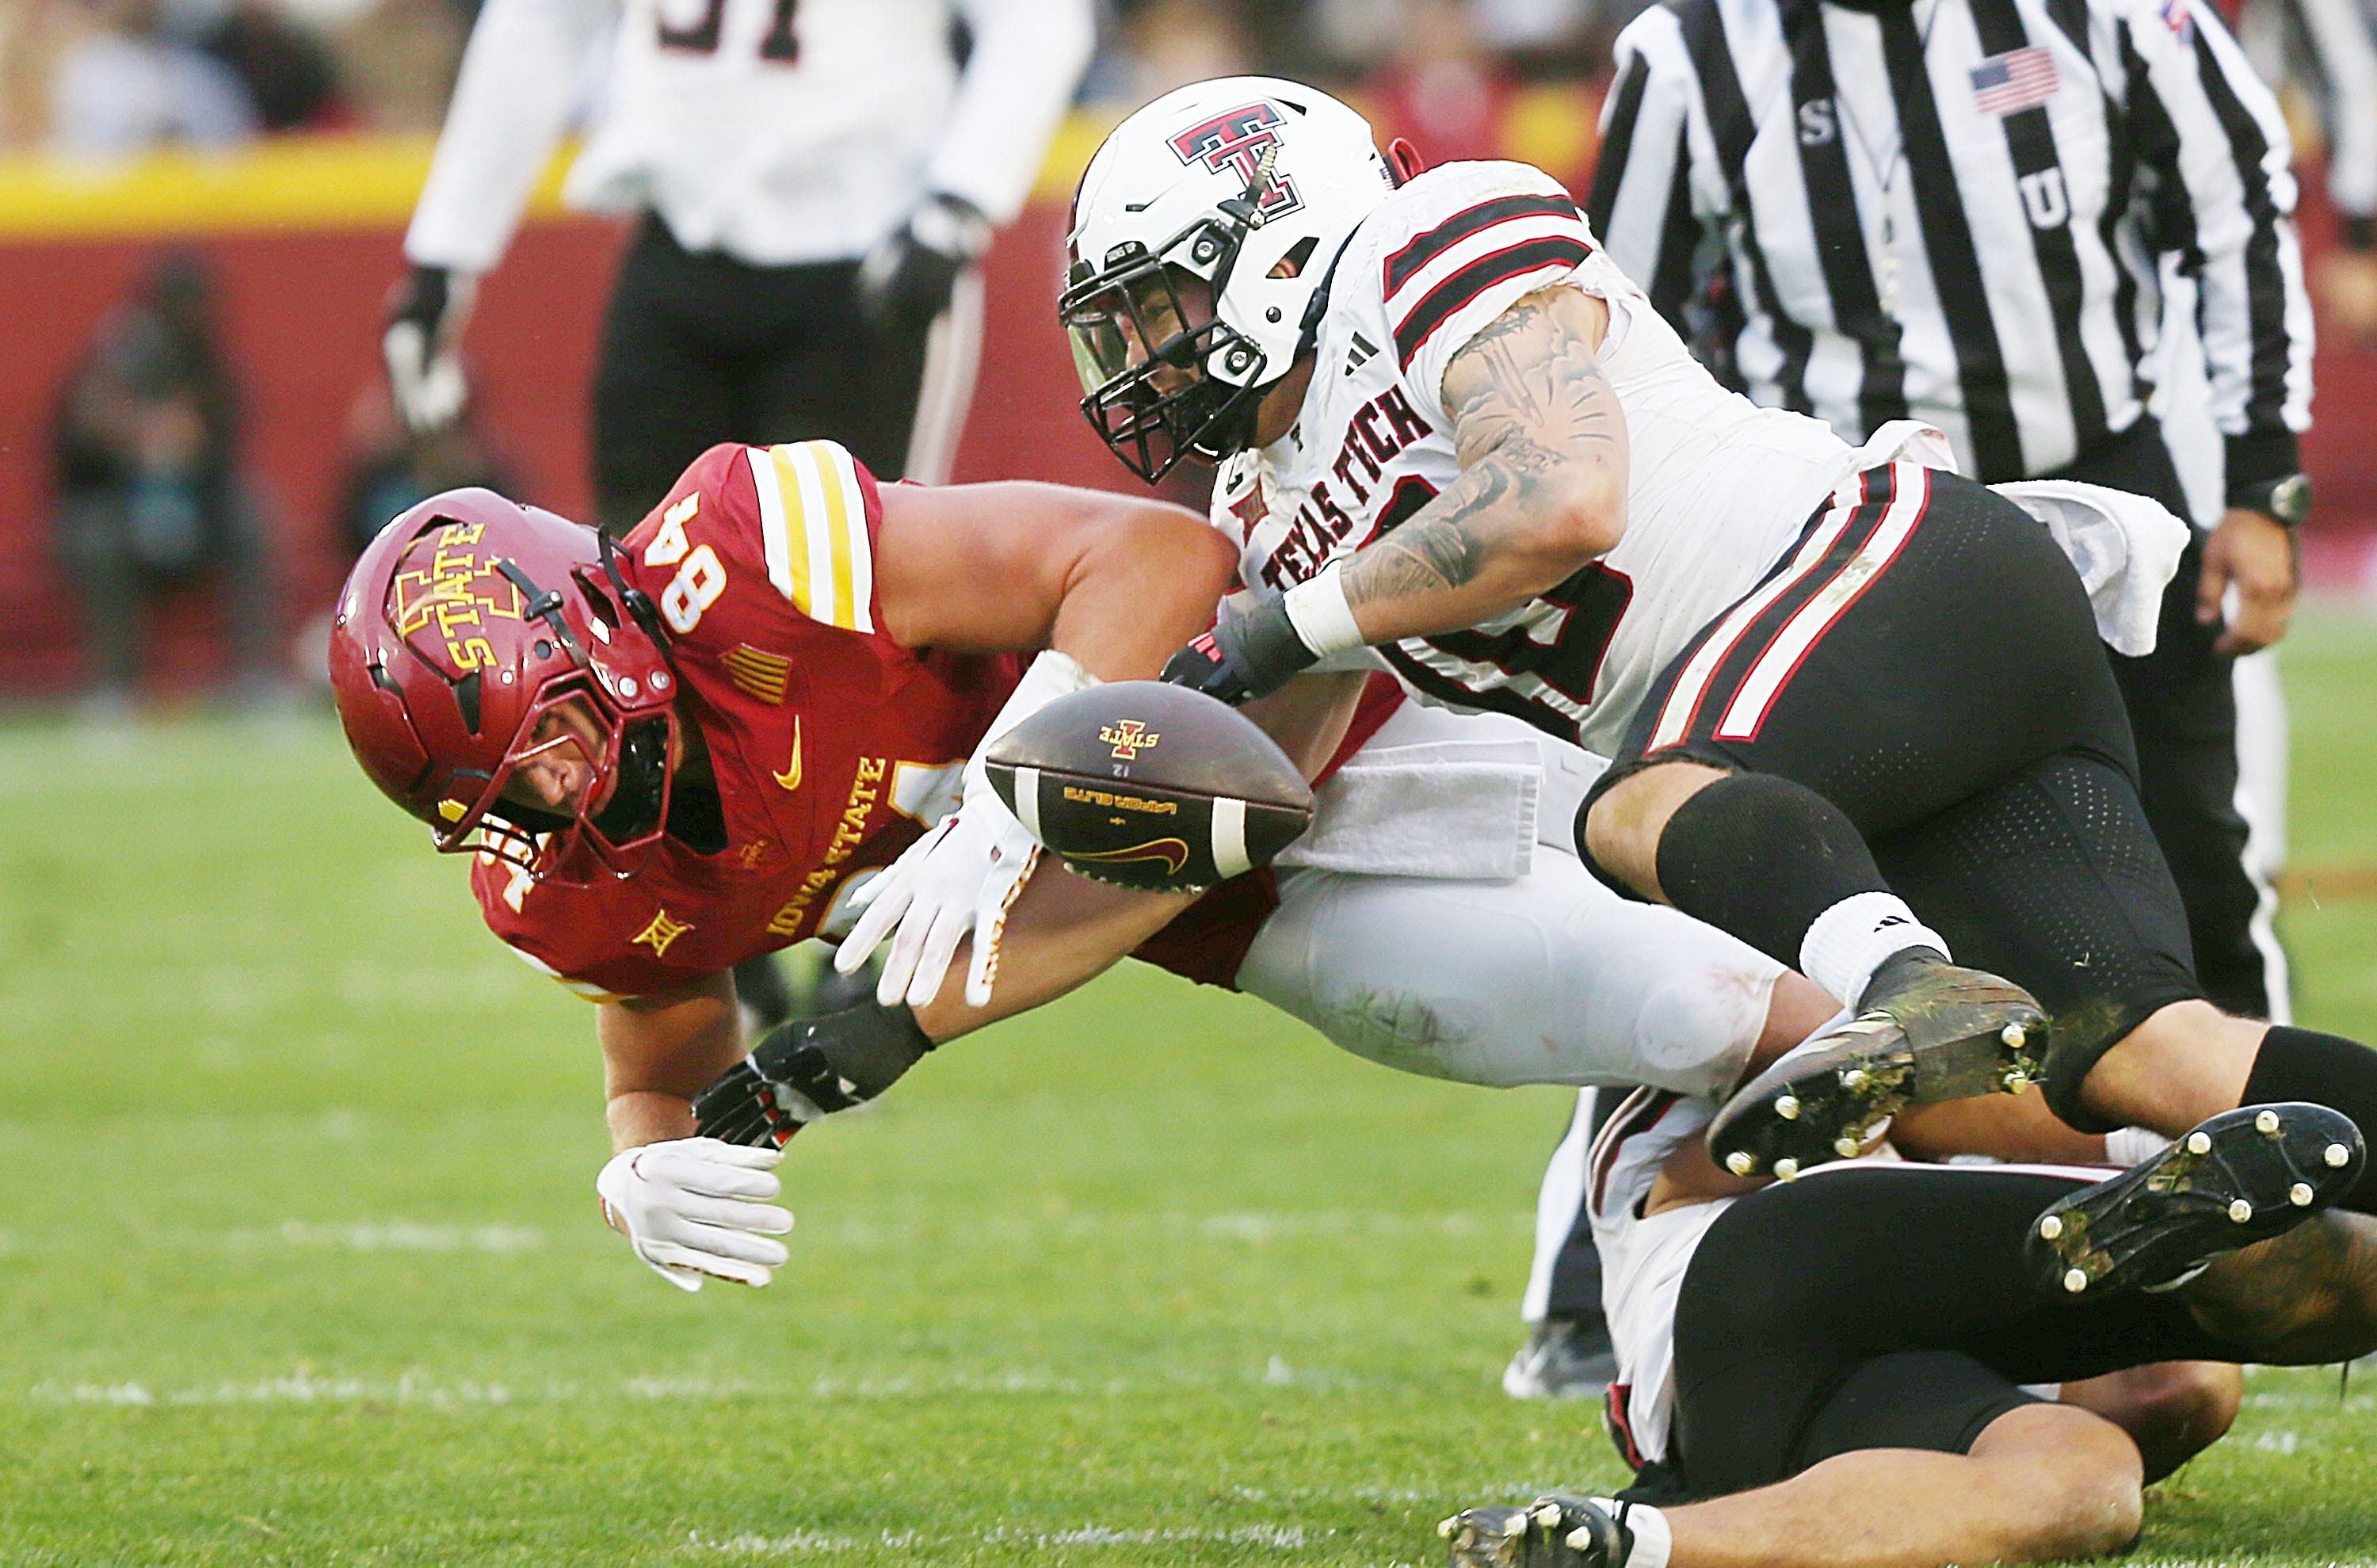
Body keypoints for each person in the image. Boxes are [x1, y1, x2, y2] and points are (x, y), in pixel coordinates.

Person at [1047, 76, 2377, 1215]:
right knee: (2148, 1060)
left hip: (1889, 572)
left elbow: (1562, 499)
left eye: (1159, 307)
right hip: (1844, 727)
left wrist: (1284, 625)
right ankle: (1943, 1002)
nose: (1143, 359)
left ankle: (1905, 987)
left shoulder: (1428, 238)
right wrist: (1056, 811)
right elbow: (1278, 777)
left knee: (1636, 810)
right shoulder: (1262, 506)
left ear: (1272, 241)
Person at [326, 441, 1840, 1288]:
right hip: (1198, 915)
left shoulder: (747, 557)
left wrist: (1012, 782)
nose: (555, 797)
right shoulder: (571, 878)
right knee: (1699, 1015)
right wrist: (641, 1163)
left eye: (545, 740)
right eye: (499, 798)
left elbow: (1158, 560)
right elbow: (665, 1053)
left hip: (1316, 728)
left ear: (584, 618)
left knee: (1775, 959)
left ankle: (2043, 1084)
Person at [1518, 0, 2319, 1391]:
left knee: (2190, 890)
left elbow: (2234, 206)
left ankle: (2298, 1210)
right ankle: (1598, 1275)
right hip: (1822, 557)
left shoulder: (2117, 18)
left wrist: (2262, 479)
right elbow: (1612, 310)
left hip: (2087, 511)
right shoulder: (1688, 51)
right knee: (1719, 891)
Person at [383, 0, 1094, 1032]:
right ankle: (704, 933)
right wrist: (446, 250)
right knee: (624, 626)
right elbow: (539, 27)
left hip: (871, 245)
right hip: (680, 242)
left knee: (879, 636)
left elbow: (1042, 22)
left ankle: (889, 924)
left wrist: (959, 198)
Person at [1435, 1092, 2377, 1567]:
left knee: (2095, 1477)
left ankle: (1629, 1543)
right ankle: (2196, 1250)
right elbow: (1718, 1154)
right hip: (1753, 1268)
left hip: (1802, 1404)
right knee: (2298, 1269)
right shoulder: (1712, 937)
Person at [52, 250, 281, 713]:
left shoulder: (209, 361)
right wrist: (129, 438)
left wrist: (192, 442)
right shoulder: (112, 353)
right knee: (93, 538)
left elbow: (228, 444)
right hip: (120, 507)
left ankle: (256, 678)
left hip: (199, 507)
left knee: (250, 521)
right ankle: (115, 689)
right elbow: (71, 451)